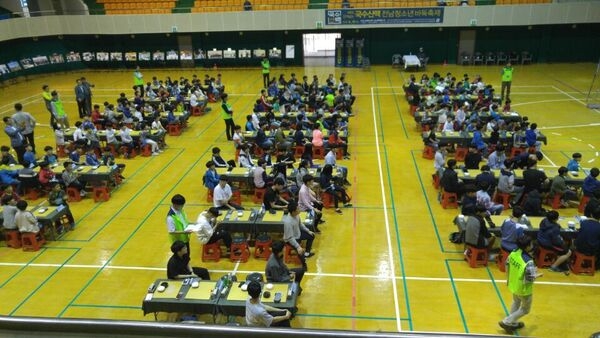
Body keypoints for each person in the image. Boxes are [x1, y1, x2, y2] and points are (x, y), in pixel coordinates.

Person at [499, 235, 542, 333]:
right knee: (525, 309)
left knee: (516, 302)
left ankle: (513, 323)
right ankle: (507, 321)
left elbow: (507, 264)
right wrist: (537, 275)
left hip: (513, 284)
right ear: (527, 247)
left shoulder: (514, 252)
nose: (532, 245)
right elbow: (529, 278)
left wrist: (508, 278)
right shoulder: (528, 261)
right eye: (530, 244)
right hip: (523, 289)